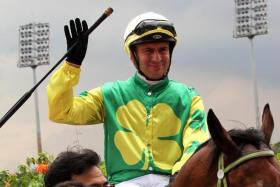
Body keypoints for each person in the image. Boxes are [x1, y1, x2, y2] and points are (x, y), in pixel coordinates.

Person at [47, 12, 210, 186]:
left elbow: (197, 143)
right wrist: (72, 65)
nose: (157, 58)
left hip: (173, 181)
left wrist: (178, 176)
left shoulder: (189, 97)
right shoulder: (110, 94)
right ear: (133, 56)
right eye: (148, 50)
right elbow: (62, 111)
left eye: (162, 50)